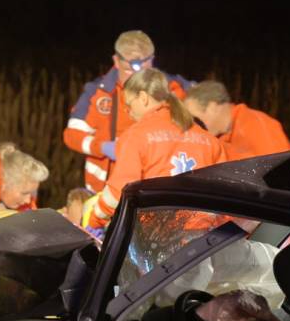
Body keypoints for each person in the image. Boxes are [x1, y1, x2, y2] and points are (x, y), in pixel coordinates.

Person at [84, 68, 226, 230]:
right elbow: (225, 192)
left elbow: (119, 191)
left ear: (143, 98)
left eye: (129, 105)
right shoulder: (209, 140)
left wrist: (95, 220)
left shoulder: (136, 136)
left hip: (157, 236)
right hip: (204, 238)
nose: (128, 112)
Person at [63, 30, 193, 193]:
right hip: (103, 188)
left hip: (155, 185)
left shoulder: (173, 89)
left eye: (142, 70)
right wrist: (102, 147)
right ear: (116, 61)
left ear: (152, 60)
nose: (136, 79)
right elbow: (72, 135)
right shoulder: (97, 93)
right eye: (129, 71)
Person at [184, 80, 290, 161]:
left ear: (213, 107)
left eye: (195, 119)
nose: (193, 126)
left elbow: (281, 168)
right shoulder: (222, 136)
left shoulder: (256, 125)